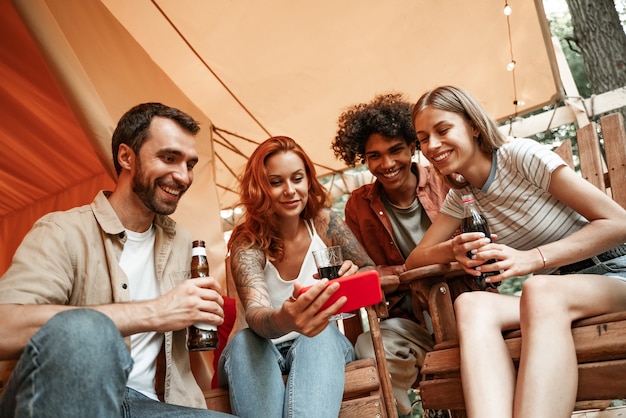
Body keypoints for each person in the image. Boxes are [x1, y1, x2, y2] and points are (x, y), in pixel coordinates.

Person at [0, 102, 234, 418]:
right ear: (126, 157)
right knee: (85, 329)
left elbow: (190, 360)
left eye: (190, 164)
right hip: (75, 397)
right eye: (168, 158)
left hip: (154, 407)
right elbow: (4, 327)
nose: (182, 176)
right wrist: (158, 311)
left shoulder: (183, 243)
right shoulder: (63, 231)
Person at [405, 85, 626, 418]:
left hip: (610, 274)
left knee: (538, 287)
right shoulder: (461, 196)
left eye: (443, 130)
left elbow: (618, 223)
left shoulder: (519, 155)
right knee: (471, 305)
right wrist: (453, 249)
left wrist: (532, 258)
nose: (432, 145)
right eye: (423, 138)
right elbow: (414, 261)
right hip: (552, 296)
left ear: (474, 126)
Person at [217, 136, 375, 418]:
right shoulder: (247, 240)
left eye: (297, 179)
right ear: (259, 188)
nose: (290, 190)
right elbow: (256, 315)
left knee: (319, 332)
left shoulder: (324, 223)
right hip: (257, 349)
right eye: (276, 182)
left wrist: (355, 275)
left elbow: (371, 273)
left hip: (319, 345)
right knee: (245, 341)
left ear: (308, 181)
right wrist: (286, 319)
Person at [332, 93, 452, 415]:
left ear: (413, 146)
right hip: (405, 322)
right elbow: (362, 273)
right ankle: (405, 409)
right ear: (364, 159)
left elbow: (471, 248)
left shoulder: (445, 182)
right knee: (369, 347)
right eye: (374, 155)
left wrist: (397, 272)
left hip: (463, 311)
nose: (386, 164)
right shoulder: (358, 205)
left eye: (395, 150)